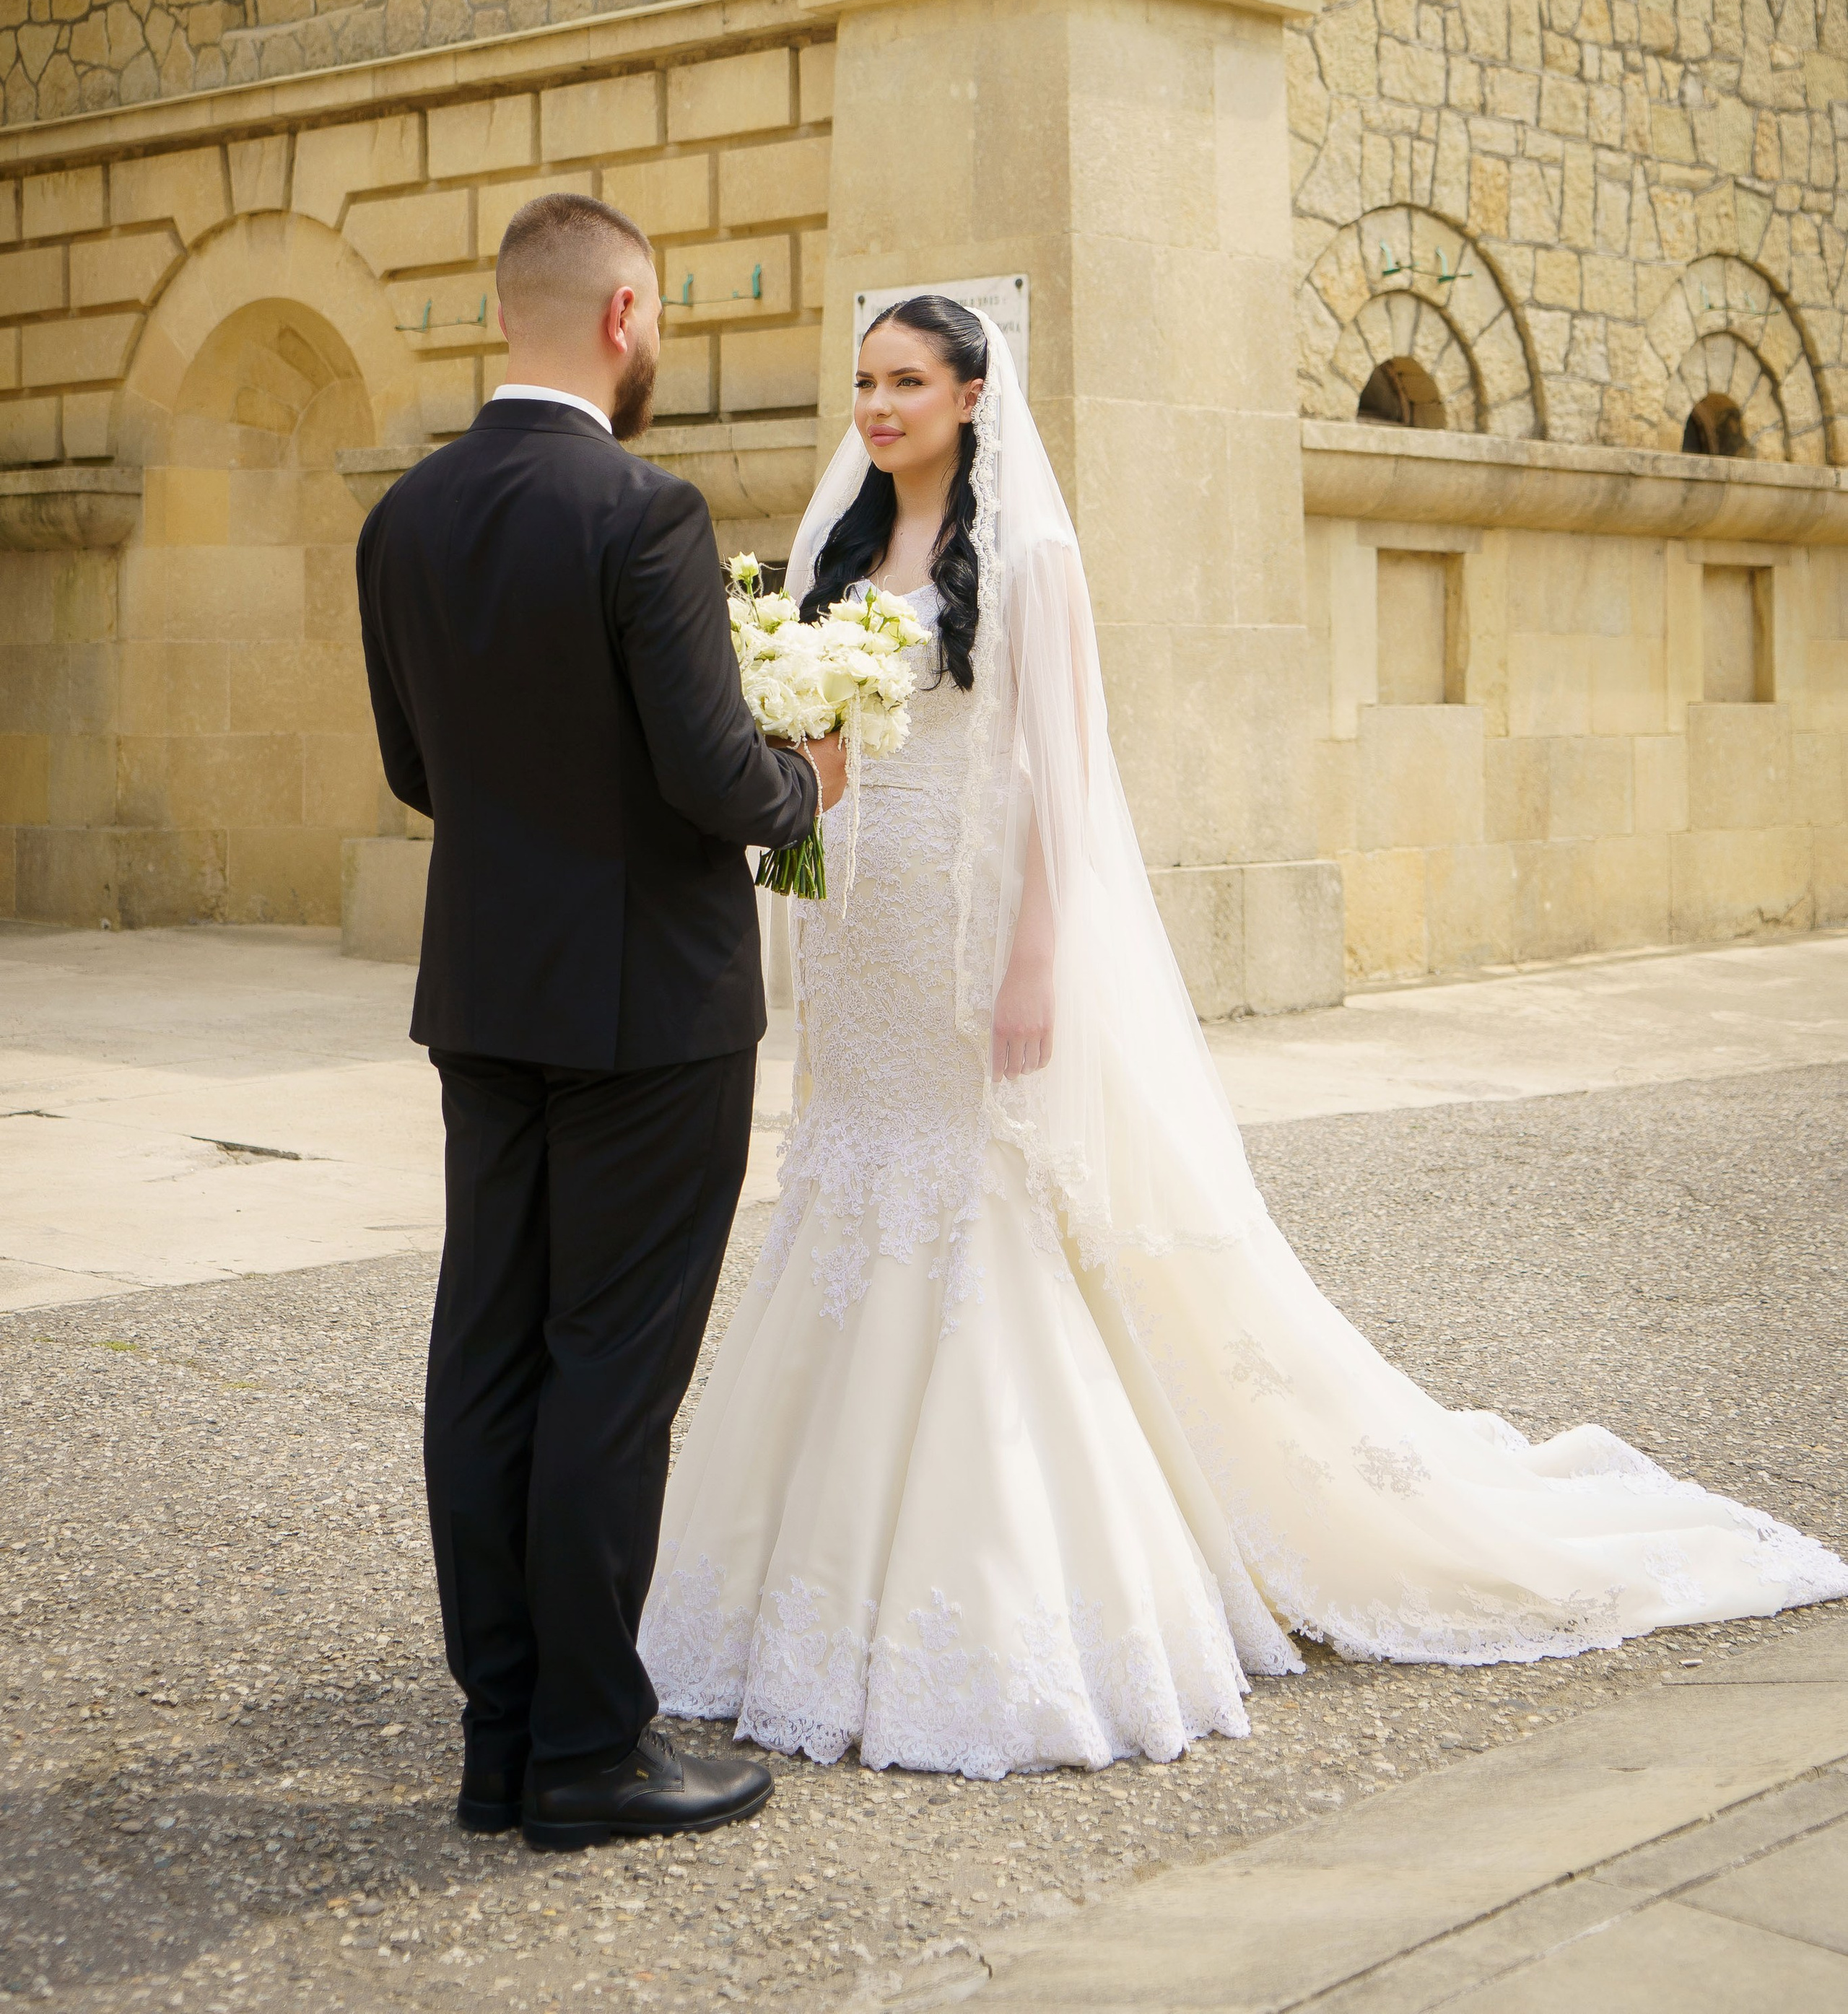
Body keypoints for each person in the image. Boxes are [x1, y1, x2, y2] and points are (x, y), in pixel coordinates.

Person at [639, 293, 1848, 1779]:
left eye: (905, 382)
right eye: (862, 383)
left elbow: (1060, 785)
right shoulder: (831, 550)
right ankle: (794, 1579)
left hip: (968, 937)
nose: (876, 406)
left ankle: (1006, 1590)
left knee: (972, 1213)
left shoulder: (1027, 556)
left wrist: (1031, 964)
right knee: (852, 1186)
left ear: (969, 395)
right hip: (856, 940)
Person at [355, 190, 845, 1848]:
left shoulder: (402, 518)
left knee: (486, 1350)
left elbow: (417, 773)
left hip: (484, 995)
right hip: (648, 1008)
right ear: (625, 315)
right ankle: (586, 1749)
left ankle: (503, 1736)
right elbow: (715, 781)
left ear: (515, 316)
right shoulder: (642, 513)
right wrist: (809, 777)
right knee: (608, 1373)